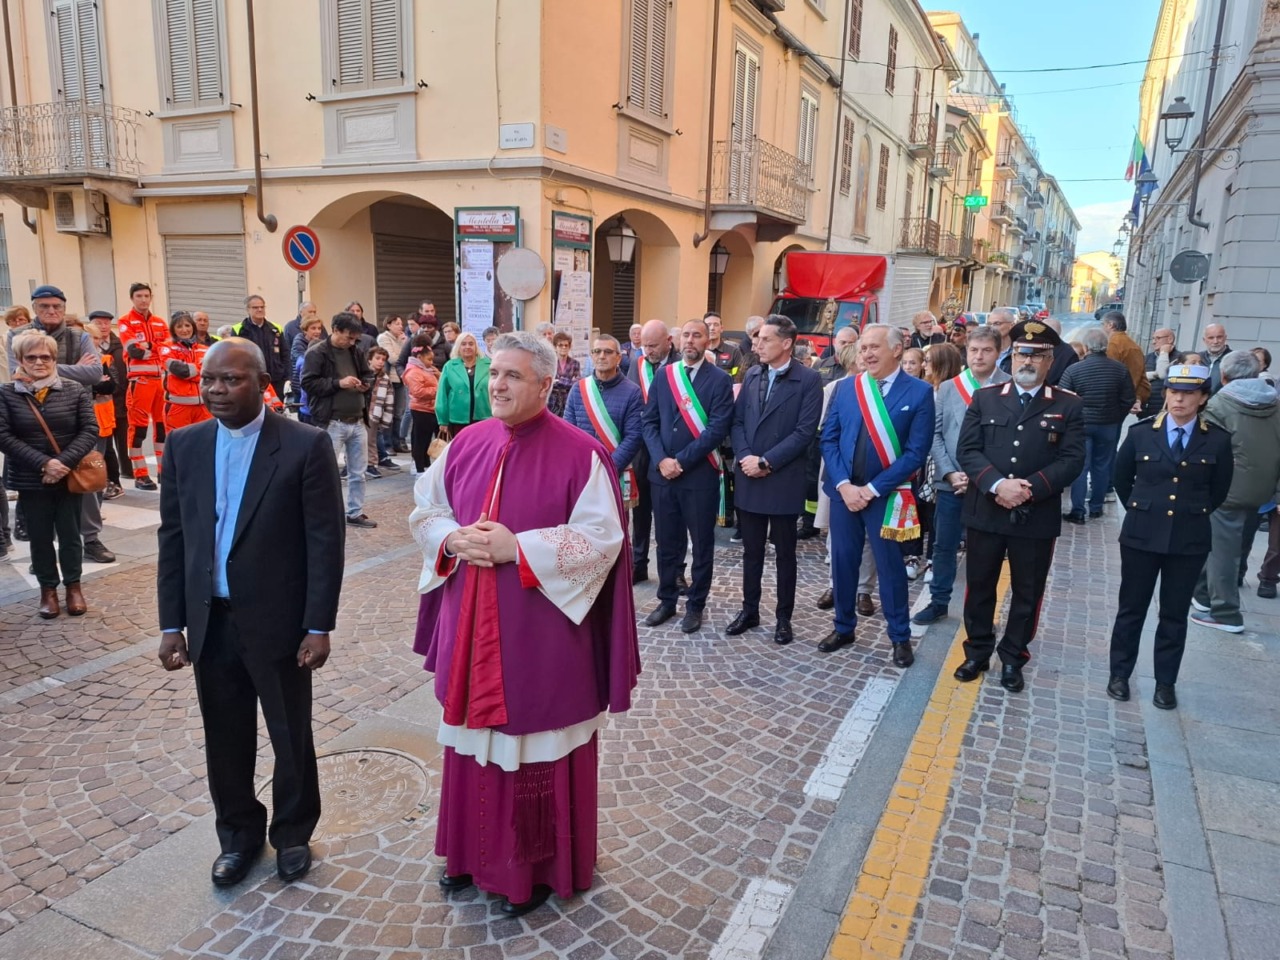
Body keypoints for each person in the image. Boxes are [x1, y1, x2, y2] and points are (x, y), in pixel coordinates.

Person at [408, 331, 639, 917]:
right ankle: (467, 856)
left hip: (540, 635)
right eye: (494, 374)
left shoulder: (580, 453)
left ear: (545, 384)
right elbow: (427, 508)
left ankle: (532, 871)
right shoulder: (467, 442)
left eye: (512, 375)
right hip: (472, 626)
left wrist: (520, 547)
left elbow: (602, 538)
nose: (498, 385)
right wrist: (450, 537)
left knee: (534, 745)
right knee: (471, 743)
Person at [156, 338, 345, 888]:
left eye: (230, 380)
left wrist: (318, 625)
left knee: (290, 732)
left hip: (278, 621)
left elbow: (324, 541)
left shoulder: (304, 445)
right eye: (208, 380)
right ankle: (238, 837)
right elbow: (174, 537)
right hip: (210, 620)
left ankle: (293, 832)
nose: (215, 390)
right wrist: (171, 623)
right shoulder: (185, 445)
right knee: (225, 735)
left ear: (262, 383)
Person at [954, 320, 1085, 692]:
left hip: (1035, 513)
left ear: (1050, 361)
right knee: (980, 586)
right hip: (987, 508)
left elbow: (1073, 460)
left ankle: (1014, 657)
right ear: (1011, 358)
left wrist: (1028, 490)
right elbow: (968, 450)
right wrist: (998, 485)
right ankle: (977, 651)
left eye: (1037, 356)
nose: (1027, 361)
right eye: (1021, 354)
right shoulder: (986, 398)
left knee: (1028, 591)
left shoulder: (1068, 404)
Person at [1107, 364, 1233, 710]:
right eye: (1174, 392)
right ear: (1165, 394)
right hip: (1141, 536)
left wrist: (1190, 513)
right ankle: (1119, 674)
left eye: (1189, 393)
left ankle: (1165, 682)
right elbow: (1122, 479)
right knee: (1131, 609)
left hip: (1188, 540)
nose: (1179, 399)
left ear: (1203, 398)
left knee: (1174, 616)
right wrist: (1143, 510)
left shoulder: (1217, 439)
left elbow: (1219, 490)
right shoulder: (1141, 433)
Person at [818, 324, 934, 666]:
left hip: (886, 496)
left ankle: (899, 636)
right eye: (863, 348)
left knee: (890, 569)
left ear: (897, 350)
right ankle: (843, 627)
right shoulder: (847, 388)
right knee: (842, 563)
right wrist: (844, 485)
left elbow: (916, 453)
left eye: (874, 347)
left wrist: (870, 490)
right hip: (844, 494)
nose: (866, 354)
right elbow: (829, 438)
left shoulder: (919, 392)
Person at [725, 315, 822, 645]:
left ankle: (783, 617)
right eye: (757, 339)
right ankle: (749, 610)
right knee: (751, 552)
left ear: (786, 343)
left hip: (782, 479)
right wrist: (746, 457)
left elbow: (804, 432)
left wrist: (767, 461)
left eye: (765, 339)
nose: (757, 345)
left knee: (784, 555)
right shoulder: (753, 374)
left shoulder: (808, 380)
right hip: (750, 475)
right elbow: (737, 422)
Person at [641, 319, 734, 633]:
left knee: (702, 544)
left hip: (698, 476)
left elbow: (717, 429)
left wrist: (680, 461)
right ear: (678, 340)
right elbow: (649, 422)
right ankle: (666, 600)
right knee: (666, 542)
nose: (690, 341)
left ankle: (696, 605)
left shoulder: (719, 380)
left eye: (697, 335)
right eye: (686, 335)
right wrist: (661, 460)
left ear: (708, 340)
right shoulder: (665, 375)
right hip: (663, 476)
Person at [0, 332, 99, 617]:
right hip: (31, 478)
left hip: (68, 476)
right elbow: (3, 435)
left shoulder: (74, 389)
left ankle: (74, 587)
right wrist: (44, 464)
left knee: (70, 535)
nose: (39, 362)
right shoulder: (7, 393)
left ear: (54, 359)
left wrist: (62, 463)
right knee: (40, 537)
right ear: (20, 360)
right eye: (31, 357)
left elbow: (89, 429)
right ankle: (48, 590)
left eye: (45, 356)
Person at [914, 328, 1009, 626]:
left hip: (990, 484)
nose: (979, 356)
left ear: (998, 352)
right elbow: (935, 434)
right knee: (944, 546)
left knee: (987, 550)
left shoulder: (1009, 386)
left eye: (987, 350)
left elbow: (1011, 441)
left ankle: (980, 610)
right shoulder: (949, 387)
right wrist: (950, 472)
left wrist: (983, 477)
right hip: (951, 482)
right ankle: (938, 601)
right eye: (974, 350)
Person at [1190, 350, 1280, 633]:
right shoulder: (1274, 402)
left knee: (1222, 550)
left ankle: (1226, 613)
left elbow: (1206, 448)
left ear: (1224, 375)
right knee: (1228, 543)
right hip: (1262, 486)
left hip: (1227, 488)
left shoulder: (1219, 404)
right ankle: (1203, 595)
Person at [301, 312, 378, 529]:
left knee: (358, 473)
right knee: (326, 472)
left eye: (355, 338)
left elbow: (368, 374)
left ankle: (355, 512)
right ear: (335, 330)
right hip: (332, 421)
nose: (351, 342)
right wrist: (338, 383)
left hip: (357, 420)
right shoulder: (317, 353)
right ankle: (324, 514)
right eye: (348, 337)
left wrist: (366, 384)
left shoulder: (355, 350)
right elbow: (308, 383)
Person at [1058, 327, 1136, 522]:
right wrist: (1116, 416)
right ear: (1106, 346)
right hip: (1108, 424)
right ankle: (1096, 507)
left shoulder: (1074, 370)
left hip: (1080, 425)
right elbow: (1128, 399)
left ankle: (1078, 510)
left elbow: (1063, 399)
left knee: (1080, 466)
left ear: (1085, 347)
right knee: (1102, 465)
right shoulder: (1120, 370)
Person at [563, 334, 644, 506]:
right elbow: (568, 432)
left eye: (607, 352)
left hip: (614, 473)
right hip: (582, 474)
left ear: (618, 358)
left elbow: (634, 436)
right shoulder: (578, 389)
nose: (601, 356)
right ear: (591, 356)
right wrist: (581, 467)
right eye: (597, 351)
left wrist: (608, 468)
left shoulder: (632, 392)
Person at [627, 319, 678, 584]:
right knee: (640, 512)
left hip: (669, 451)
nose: (648, 351)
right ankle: (639, 564)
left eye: (653, 346)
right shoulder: (638, 365)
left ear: (668, 341)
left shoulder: (680, 365)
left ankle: (675, 570)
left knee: (670, 515)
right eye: (645, 346)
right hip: (641, 452)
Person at [118, 282, 169, 490]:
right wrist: (153, 348)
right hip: (140, 382)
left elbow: (168, 349)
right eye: (139, 296)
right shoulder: (125, 321)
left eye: (146, 296)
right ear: (132, 298)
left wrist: (149, 346)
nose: (143, 300)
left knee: (162, 428)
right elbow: (134, 351)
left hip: (161, 381)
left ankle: (163, 471)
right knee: (138, 429)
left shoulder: (160, 322)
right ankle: (140, 475)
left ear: (151, 297)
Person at [88, 311, 128, 501]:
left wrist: (96, 387)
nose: (94, 340)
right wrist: (96, 386)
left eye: (106, 323)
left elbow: (112, 384)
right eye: (91, 337)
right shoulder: (81, 359)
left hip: (106, 411)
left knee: (105, 450)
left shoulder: (108, 355)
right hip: (91, 412)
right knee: (96, 452)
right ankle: (98, 484)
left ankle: (113, 482)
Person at [160, 311, 213, 433]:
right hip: (178, 407)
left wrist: (194, 371)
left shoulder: (205, 349)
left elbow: (212, 373)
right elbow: (183, 372)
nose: (184, 330)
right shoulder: (166, 347)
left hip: (204, 407)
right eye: (179, 326)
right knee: (179, 443)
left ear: (193, 327)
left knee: (206, 441)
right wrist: (200, 369)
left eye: (187, 325)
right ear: (173, 329)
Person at [234, 296, 290, 402]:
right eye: (255, 307)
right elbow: (235, 357)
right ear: (248, 309)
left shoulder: (275, 329)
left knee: (276, 407)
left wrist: (286, 376)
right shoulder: (238, 330)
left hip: (276, 380)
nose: (260, 310)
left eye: (262, 307)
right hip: (252, 379)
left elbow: (285, 354)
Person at [436, 332, 492, 438]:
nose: (467, 347)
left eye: (471, 344)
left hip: (484, 417)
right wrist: (443, 420)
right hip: (458, 419)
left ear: (476, 347)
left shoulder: (488, 365)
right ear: (458, 347)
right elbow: (442, 395)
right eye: (463, 344)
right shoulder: (449, 366)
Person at [403, 333, 440, 474]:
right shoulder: (413, 371)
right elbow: (418, 392)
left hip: (430, 408)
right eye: (429, 359)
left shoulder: (425, 369)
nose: (431, 362)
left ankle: (425, 464)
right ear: (419, 357)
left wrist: (438, 375)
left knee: (426, 439)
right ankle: (419, 467)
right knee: (420, 440)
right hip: (421, 409)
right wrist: (437, 390)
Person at [1101, 311, 1150, 408]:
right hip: (1129, 397)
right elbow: (1139, 375)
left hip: (1114, 399)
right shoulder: (1133, 345)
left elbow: (1108, 374)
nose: (1102, 327)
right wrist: (1138, 398)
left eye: (1103, 324)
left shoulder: (1112, 344)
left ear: (1110, 325)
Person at [364, 346, 399, 478]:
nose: (380, 362)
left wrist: (386, 418)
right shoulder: (363, 373)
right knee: (355, 440)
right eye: (377, 358)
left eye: (383, 359)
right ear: (369, 359)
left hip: (374, 412)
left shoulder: (384, 378)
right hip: (359, 410)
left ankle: (371, 464)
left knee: (371, 440)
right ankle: (351, 464)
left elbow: (389, 399)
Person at [378, 315, 410, 453]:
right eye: (397, 323)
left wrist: (404, 343)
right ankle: (387, 444)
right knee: (388, 412)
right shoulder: (383, 338)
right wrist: (402, 351)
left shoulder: (402, 339)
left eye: (401, 323)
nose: (400, 326)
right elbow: (392, 358)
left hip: (401, 378)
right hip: (389, 379)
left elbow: (407, 357)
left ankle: (397, 443)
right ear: (389, 325)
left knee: (399, 413)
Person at [1143, 328, 1184, 418]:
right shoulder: (1147, 358)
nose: (1154, 342)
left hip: (1166, 409)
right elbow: (1139, 377)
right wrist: (1155, 374)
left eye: (1158, 338)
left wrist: (1164, 353)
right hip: (1145, 409)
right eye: (1153, 339)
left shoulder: (1180, 358)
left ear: (1170, 339)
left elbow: (1162, 374)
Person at [548, 331, 581, 417]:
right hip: (552, 403)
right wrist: (568, 381)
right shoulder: (549, 363)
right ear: (555, 347)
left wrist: (558, 381)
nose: (564, 347)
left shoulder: (575, 363)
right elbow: (548, 382)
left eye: (566, 345)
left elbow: (576, 384)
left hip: (568, 401)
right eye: (560, 345)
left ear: (569, 347)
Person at [705, 313, 745, 382]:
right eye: (708, 325)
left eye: (716, 325)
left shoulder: (734, 352)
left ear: (721, 328)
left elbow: (739, 378)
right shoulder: (699, 352)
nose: (712, 328)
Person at [1201, 323, 1232, 393]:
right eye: (1211, 338)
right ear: (1204, 340)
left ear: (1225, 338)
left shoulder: (1234, 359)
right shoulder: (1197, 358)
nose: (1215, 341)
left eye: (1219, 337)